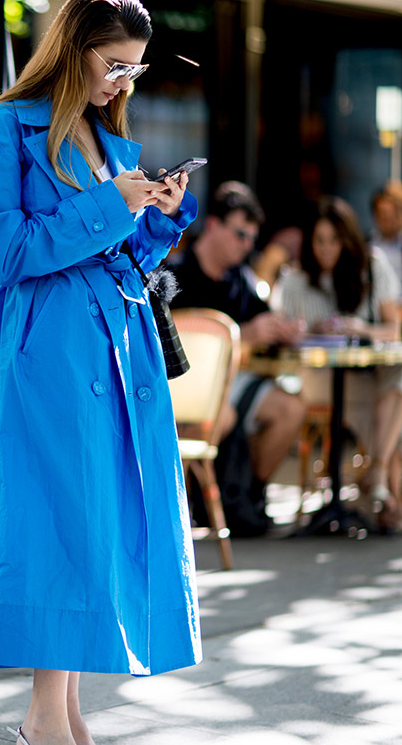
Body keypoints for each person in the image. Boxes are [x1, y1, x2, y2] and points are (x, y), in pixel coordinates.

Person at [0, 0, 202, 745]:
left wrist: (155, 217)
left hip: (116, 349)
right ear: (73, 50)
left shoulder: (108, 139)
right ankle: (46, 725)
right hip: (52, 351)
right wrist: (105, 207)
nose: (123, 82)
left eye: (134, 68)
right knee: (63, 523)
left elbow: (118, 260)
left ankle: (60, 720)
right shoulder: (4, 127)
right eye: (112, 65)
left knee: (97, 527)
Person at [170, 181, 306, 493]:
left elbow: (264, 319)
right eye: (240, 234)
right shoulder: (176, 276)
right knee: (222, 416)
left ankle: (244, 498)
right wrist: (245, 336)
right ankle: (186, 503)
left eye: (252, 239)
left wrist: (282, 329)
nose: (246, 245)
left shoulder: (240, 280)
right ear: (214, 225)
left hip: (234, 383)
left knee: (291, 409)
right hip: (185, 387)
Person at [277, 196, 402, 528]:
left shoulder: (372, 267)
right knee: (390, 411)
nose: (326, 249)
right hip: (317, 376)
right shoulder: (295, 280)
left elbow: (394, 329)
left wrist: (361, 328)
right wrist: (305, 330)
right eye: (319, 240)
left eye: (334, 240)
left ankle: (376, 478)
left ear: (347, 240)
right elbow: (283, 333)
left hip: (367, 374)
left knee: (397, 383)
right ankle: (379, 489)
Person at [370, 184, 402, 289]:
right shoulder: (367, 245)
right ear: (375, 216)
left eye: (392, 214)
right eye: (383, 215)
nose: (388, 220)